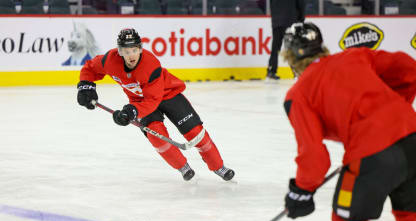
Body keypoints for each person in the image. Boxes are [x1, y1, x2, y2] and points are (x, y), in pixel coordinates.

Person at [281, 22, 416, 221]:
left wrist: (301, 191)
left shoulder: (298, 95)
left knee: (347, 220)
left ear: (289, 56)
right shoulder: (354, 56)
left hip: (372, 151)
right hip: (412, 134)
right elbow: (409, 69)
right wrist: (392, 112)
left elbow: (314, 157)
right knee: (411, 216)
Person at [76, 28, 235, 182]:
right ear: (120, 52)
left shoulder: (150, 65)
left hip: (168, 95)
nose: (131, 55)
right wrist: (85, 86)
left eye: (134, 49)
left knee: (195, 132)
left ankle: (218, 166)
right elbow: (90, 68)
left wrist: (132, 112)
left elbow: (152, 100)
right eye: (126, 51)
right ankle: (183, 167)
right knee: (156, 136)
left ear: (140, 49)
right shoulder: (109, 60)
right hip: (140, 102)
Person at [266, 0, 305, 80]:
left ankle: (271, 71)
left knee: (275, 47)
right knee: (291, 48)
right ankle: (296, 71)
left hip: (277, 21)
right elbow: (301, 4)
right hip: (290, 20)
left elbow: (271, 5)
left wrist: (275, 18)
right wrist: (301, 19)